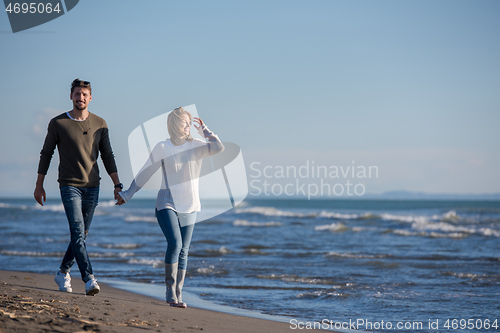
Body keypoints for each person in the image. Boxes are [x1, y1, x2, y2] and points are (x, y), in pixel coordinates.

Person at [117, 107, 224, 308]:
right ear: (174, 125)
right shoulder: (163, 147)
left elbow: (218, 148)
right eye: (184, 122)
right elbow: (145, 172)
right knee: (175, 244)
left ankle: (178, 294)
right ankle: (170, 290)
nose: (187, 126)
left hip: (190, 205)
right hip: (167, 202)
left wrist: (206, 132)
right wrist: (127, 194)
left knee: (184, 250)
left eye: (188, 122)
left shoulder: (197, 145)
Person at [34, 79, 122, 296]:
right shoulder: (58, 123)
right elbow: (46, 154)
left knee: (81, 235)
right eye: (77, 94)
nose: (80, 98)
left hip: (93, 186)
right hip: (69, 185)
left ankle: (63, 272)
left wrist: (117, 184)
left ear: (90, 98)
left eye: (84, 94)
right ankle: (89, 278)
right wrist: (39, 185)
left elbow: (107, 155)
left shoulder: (100, 123)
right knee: (76, 231)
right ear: (71, 96)